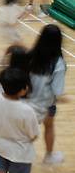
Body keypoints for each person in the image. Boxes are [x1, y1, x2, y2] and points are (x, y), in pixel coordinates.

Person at [27, 24, 66, 165]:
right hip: (45, 106)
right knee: (48, 127)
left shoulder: (30, 55)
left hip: (26, 103)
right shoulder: (58, 63)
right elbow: (57, 91)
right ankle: (48, 157)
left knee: (26, 138)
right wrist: (65, 98)